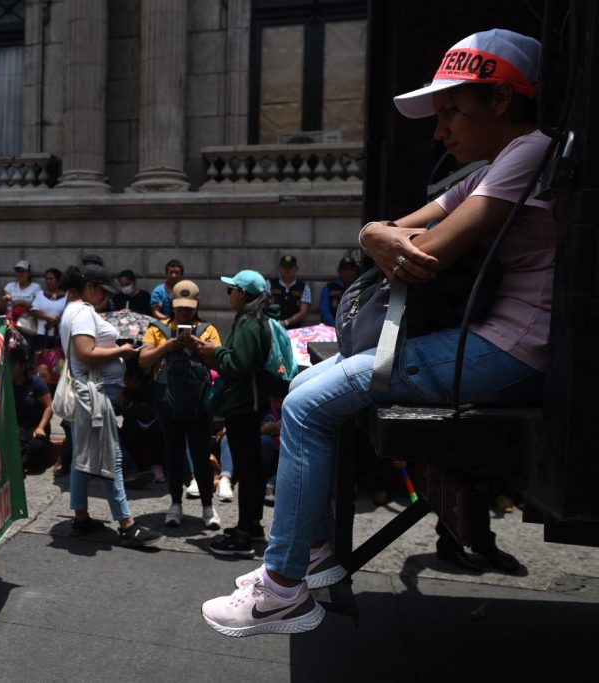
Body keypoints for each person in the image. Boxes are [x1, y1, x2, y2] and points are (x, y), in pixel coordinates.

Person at [202, 29, 551, 637]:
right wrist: (373, 234)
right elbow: (386, 232)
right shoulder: (490, 169)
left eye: (452, 112)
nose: (440, 132)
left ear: (501, 101)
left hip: (512, 349)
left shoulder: (531, 150)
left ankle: (284, 589)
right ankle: (308, 554)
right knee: (311, 386)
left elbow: (421, 252)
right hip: (491, 340)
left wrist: (381, 238)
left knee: (307, 404)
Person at [59, 264, 161, 548]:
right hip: (94, 393)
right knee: (111, 458)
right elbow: (86, 353)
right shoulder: (82, 313)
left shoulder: (72, 310)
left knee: (82, 458)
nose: (105, 296)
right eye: (103, 290)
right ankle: (126, 524)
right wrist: (122, 351)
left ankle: (80, 517)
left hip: (89, 390)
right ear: (90, 287)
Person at [197, 270, 272, 558]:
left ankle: (243, 535)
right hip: (248, 404)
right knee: (249, 467)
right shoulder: (253, 319)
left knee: (247, 469)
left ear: (243, 294)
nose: (229, 294)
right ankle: (251, 525)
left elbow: (239, 364)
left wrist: (217, 352)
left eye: (232, 290)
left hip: (244, 405)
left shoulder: (250, 323)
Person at [139, 280, 223, 530]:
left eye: (188, 308)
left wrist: (197, 345)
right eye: (180, 308)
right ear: (172, 306)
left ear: (196, 306)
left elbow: (219, 361)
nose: (184, 313)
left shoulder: (208, 330)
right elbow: (143, 360)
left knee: (200, 455)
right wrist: (169, 345)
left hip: (199, 406)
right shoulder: (157, 329)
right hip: (168, 404)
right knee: (174, 454)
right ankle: (175, 503)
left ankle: (208, 506)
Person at [9, 345, 54, 473]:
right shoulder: (7, 384)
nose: (10, 368)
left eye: (13, 365)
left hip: (36, 425)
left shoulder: (36, 383)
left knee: (34, 446)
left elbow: (49, 407)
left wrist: (41, 427)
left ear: (22, 367)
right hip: (17, 426)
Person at [268, 255, 311, 329]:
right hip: (271, 327)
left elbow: (304, 312)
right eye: (284, 267)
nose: (287, 270)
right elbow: (263, 306)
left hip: (294, 329)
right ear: (279, 268)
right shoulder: (269, 284)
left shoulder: (304, 287)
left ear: (296, 269)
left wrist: (286, 322)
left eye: (290, 267)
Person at [319, 256, 360, 326]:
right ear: (339, 271)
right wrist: (336, 327)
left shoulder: (360, 288)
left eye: (351, 269)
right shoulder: (328, 288)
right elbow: (325, 312)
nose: (348, 272)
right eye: (345, 269)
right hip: (332, 328)